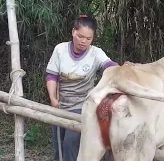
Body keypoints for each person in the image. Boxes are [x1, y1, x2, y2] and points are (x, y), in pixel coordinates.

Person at [45, 15, 123, 161]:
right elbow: (52, 77)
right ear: (73, 31)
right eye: (80, 36)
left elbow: (110, 66)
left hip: (83, 106)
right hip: (60, 104)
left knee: (70, 144)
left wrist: (120, 70)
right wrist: (53, 99)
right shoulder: (60, 50)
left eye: (88, 38)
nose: (83, 41)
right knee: (59, 146)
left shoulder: (95, 53)